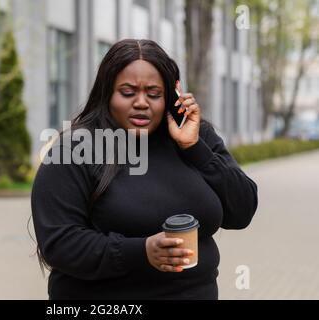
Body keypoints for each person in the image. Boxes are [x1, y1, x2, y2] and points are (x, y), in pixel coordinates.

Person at [31, 39, 258, 300]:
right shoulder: (76, 149)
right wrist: (141, 252)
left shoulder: (196, 137)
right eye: (127, 92)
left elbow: (242, 211)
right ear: (107, 94)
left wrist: (195, 148)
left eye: (154, 94)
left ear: (170, 96)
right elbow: (60, 243)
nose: (141, 102)